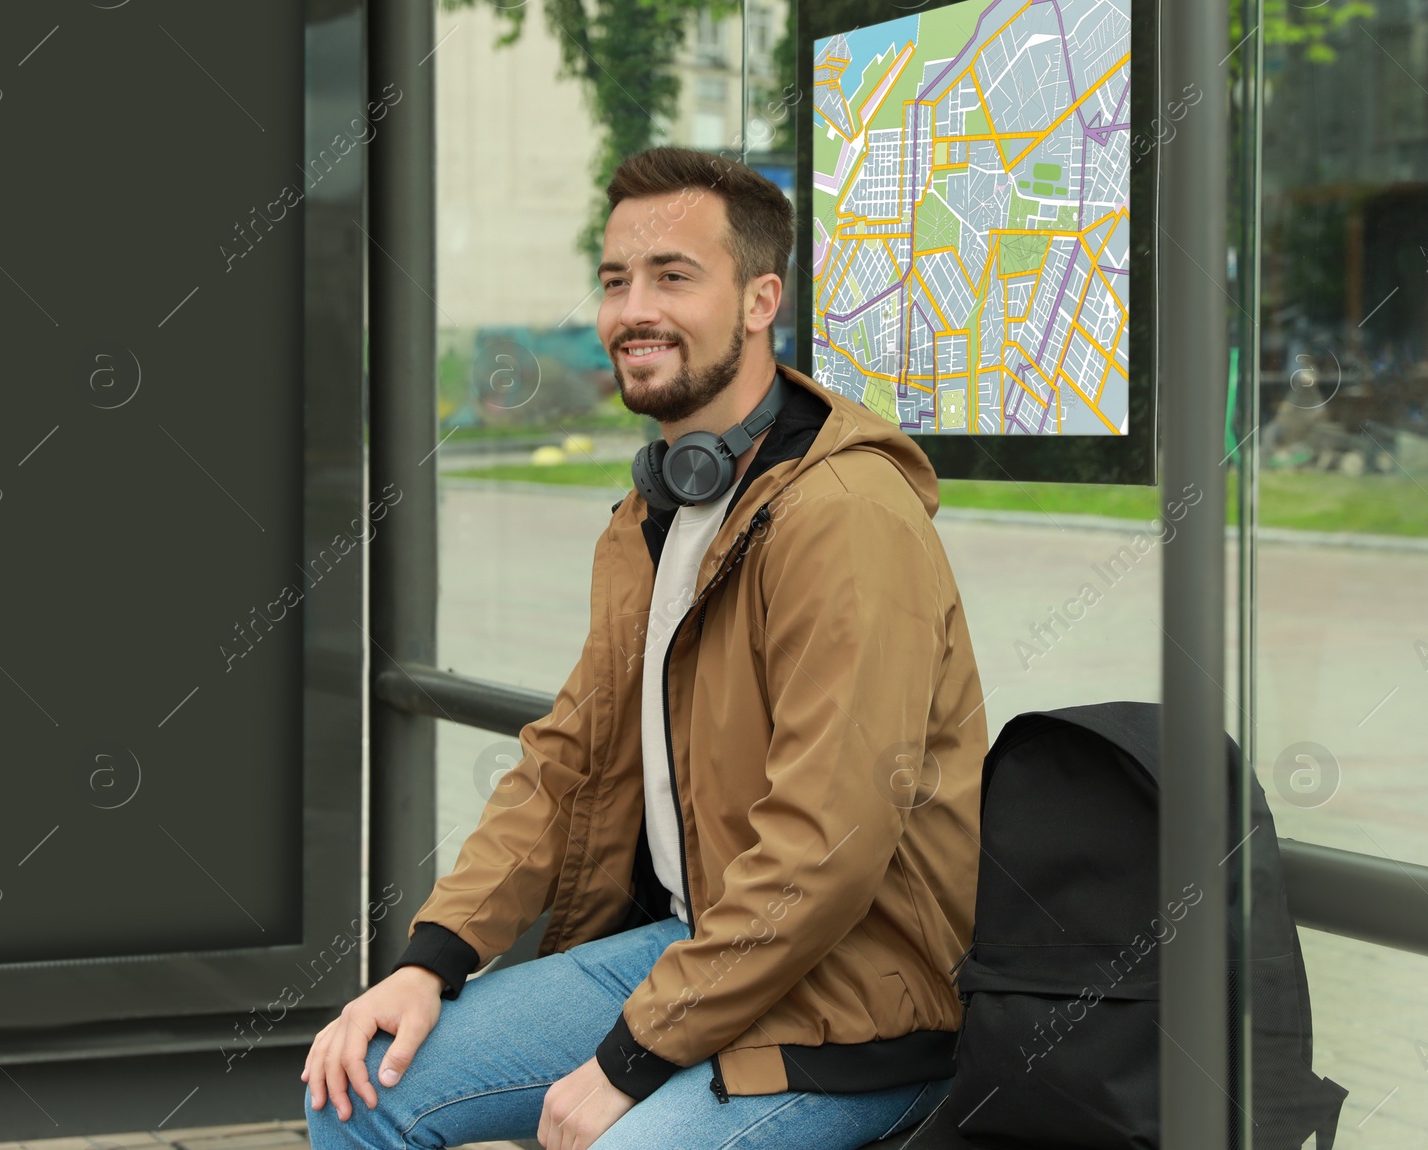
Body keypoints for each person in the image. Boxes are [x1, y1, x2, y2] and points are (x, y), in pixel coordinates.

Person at [302, 146, 988, 1149]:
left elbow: (825, 844)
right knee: (356, 1086)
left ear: (760, 300)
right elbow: (567, 758)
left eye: (673, 276)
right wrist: (430, 958)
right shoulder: (661, 501)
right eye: (617, 279)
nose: (633, 309)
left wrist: (629, 1060)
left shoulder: (844, 517)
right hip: (694, 945)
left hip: (850, 999)